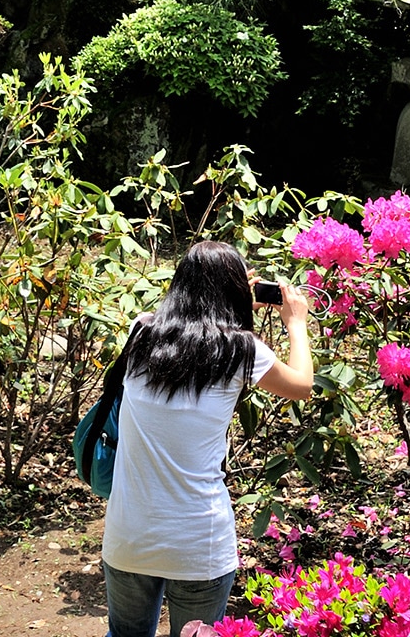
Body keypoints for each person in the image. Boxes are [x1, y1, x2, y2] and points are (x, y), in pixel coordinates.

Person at [101, 241, 313, 637]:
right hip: (199, 542)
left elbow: (190, 317)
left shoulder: (142, 331)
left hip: (129, 536)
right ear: (235, 290)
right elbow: (302, 385)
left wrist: (224, 285)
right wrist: (295, 323)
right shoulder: (240, 349)